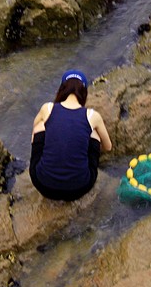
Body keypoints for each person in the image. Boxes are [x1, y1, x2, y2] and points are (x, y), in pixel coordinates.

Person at [29, 70, 112, 201]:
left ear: (62, 89)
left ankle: (46, 163)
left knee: (40, 126)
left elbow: (35, 130)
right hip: (79, 189)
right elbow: (108, 147)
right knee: (94, 133)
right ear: (84, 92)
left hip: (43, 185)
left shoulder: (48, 108)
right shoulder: (92, 115)